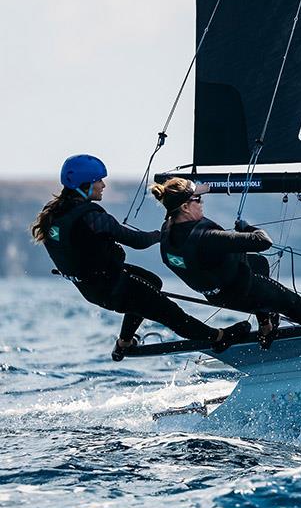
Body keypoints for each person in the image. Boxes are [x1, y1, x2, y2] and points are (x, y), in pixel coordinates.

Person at [31, 154, 251, 361]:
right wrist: (162, 235)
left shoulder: (55, 213)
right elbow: (137, 241)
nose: (103, 185)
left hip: (95, 288)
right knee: (170, 313)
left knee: (153, 282)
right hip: (114, 286)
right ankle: (219, 337)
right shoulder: (92, 217)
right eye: (99, 180)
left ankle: (124, 342)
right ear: (85, 184)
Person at [150, 177, 301, 348]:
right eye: (198, 200)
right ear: (186, 207)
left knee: (258, 264)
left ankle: (266, 327)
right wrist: (247, 228)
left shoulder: (169, 230)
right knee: (291, 303)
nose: (202, 203)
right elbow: (262, 242)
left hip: (219, 294)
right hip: (243, 289)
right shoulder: (207, 238)